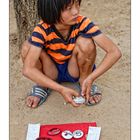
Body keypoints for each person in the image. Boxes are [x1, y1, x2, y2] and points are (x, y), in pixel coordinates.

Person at [21, 0, 121, 108]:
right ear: (52, 11)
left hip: (74, 69)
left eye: (77, 5)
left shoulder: (82, 22)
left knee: (86, 42)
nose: (75, 12)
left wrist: (91, 77)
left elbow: (114, 52)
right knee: (27, 47)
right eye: (68, 8)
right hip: (50, 71)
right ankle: (42, 85)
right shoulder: (42, 29)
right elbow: (28, 69)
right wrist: (61, 89)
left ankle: (84, 82)